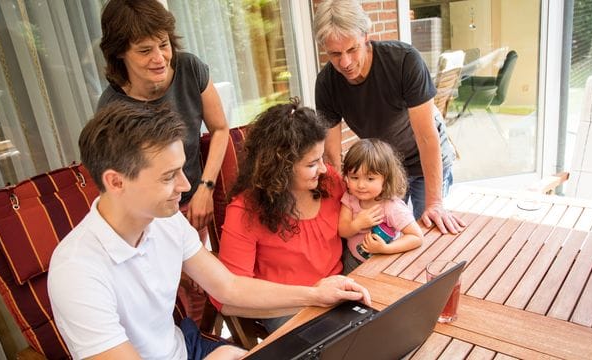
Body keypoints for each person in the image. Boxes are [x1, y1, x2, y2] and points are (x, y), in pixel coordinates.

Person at [47, 101, 371, 360]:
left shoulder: (165, 220)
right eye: (168, 176)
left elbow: (228, 288)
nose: (186, 186)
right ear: (116, 182)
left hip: (187, 346)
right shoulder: (76, 272)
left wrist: (317, 295)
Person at [313, 0, 465, 235]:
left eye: (352, 49)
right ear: (324, 48)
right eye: (334, 54)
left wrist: (434, 203)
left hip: (423, 159)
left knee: (427, 229)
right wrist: (347, 204)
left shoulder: (404, 61)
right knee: (385, 236)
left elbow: (426, 137)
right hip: (382, 169)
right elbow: (332, 156)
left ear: (365, 36)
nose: (345, 62)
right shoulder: (326, 84)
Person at [212, 99, 346, 333]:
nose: (324, 169)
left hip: (339, 289)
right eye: (313, 163)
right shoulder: (246, 210)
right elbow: (227, 300)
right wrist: (312, 296)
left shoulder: (329, 181)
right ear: (280, 167)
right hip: (288, 307)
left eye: (322, 159)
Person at [98, 0, 228, 232]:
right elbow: (120, 189)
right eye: (145, 50)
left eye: (163, 44)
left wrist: (205, 188)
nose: (159, 58)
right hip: (149, 218)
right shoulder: (111, 109)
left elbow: (220, 129)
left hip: (194, 200)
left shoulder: (190, 68)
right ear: (120, 52)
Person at [339, 139, 424, 274]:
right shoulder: (350, 198)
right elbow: (342, 231)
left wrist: (384, 249)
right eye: (354, 177)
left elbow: (416, 237)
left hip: (384, 263)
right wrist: (358, 224)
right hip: (353, 261)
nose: (361, 185)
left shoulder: (391, 206)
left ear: (386, 180)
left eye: (370, 179)